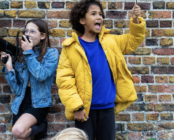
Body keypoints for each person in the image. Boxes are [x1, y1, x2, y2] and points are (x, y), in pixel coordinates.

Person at [56, 0, 146, 140]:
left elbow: (134, 39)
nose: (99, 17)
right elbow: (64, 81)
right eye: (93, 14)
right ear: (82, 20)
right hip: (84, 111)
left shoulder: (111, 41)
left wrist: (135, 20)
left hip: (107, 109)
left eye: (100, 14)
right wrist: (77, 107)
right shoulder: (71, 47)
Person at [1, 19, 59, 140]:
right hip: (21, 102)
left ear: (42, 35)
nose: (27, 34)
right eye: (26, 31)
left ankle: (42, 127)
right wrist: (9, 67)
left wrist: (28, 52)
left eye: (32, 31)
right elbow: (16, 90)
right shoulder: (21, 56)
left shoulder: (51, 53)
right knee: (23, 136)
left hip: (39, 103)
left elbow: (41, 75)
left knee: (18, 131)